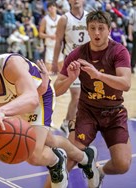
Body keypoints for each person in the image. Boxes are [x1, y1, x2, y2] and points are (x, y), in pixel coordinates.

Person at [0, 53, 99, 188]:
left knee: (33, 154)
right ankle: (86, 158)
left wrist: (2, 111)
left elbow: (32, 100)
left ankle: (56, 161)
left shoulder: (11, 65)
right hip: (21, 101)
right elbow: (3, 108)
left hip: (41, 96)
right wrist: (2, 112)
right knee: (50, 141)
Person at [54, 10, 132, 188]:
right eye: (93, 28)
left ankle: (98, 172)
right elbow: (56, 90)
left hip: (114, 112)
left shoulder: (119, 51)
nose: (97, 33)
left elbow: (126, 83)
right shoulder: (77, 54)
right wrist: (70, 79)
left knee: (122, 164)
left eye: (101, 28)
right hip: (87, 111)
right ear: (87, 30)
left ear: (109, 30)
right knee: (69, 159)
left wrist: (97, 75)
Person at [52, 0, 90, 136]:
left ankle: (69, 122)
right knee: (77, 95)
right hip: (71, 63)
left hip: (87, 62)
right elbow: (58, 42)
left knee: (85, 96)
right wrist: (55, 61)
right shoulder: (64, 19)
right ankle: (68, 122)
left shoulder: (90, 17)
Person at [39, 1, 64, 74]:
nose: (52, 8)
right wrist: (49, 36)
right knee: (48, 70)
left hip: (59, 46)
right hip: (50, 46)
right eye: (50, 7)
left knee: (61, 69)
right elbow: (40, 34)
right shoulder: (45, 19)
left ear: (56, 8)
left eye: (53, 6)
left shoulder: (61, 18)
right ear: (48, 9)